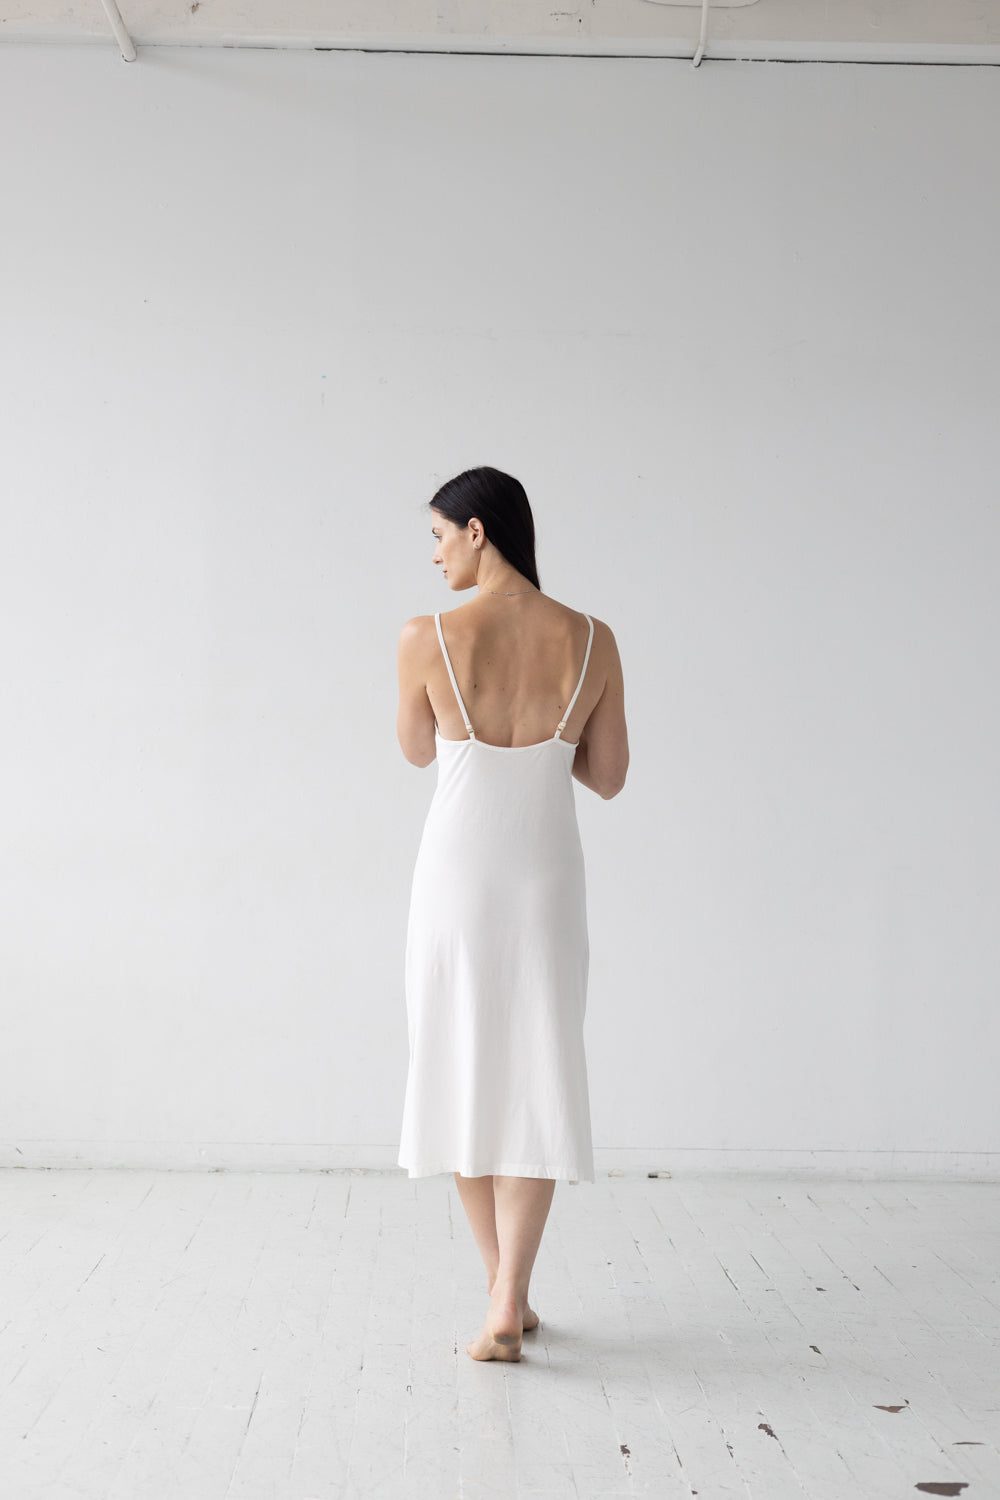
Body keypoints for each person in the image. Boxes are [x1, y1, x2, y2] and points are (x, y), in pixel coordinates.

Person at [395, 466, 628, 1362]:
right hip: (546, 881)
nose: (436, 552)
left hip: (455, 879)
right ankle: (509, 1296)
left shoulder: (429, 637)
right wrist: (550, 739)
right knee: (536, 1069)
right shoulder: (594, 638)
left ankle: (502, 1296)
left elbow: (418, 751)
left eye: (440, 535)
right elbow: (607, 776)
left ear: (479, 530)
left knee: (460, 1066)